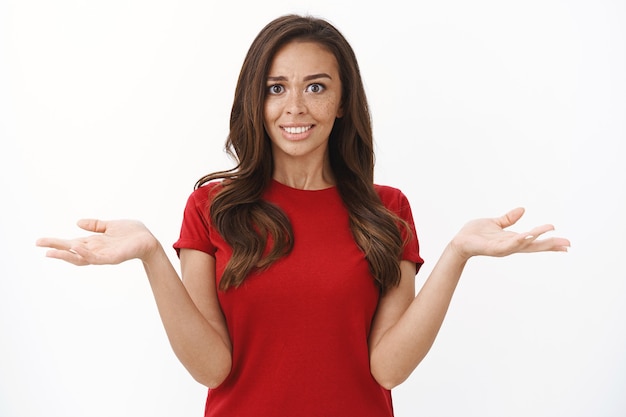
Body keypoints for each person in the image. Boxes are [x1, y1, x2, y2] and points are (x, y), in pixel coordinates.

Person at [36, 14, 570, 417]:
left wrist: (457, 254)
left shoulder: (388, 210)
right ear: (256, 101)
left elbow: (388, 369)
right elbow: (211, 368)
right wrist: (152, 254)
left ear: (341, 102)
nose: (295, 106)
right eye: (276, 88)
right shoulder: (212, 209)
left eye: (316, 86)